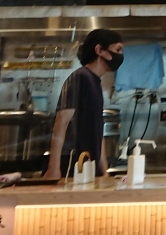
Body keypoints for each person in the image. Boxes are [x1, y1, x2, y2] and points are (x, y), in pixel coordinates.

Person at [44, 29, 124, 180]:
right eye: (118, 49)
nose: (120, 55)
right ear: (99, 50)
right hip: (72, 168)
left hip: (87, 168)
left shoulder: (95, 82)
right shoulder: (80, 78)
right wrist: (53, 169)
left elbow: (98, 133)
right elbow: (61, 122)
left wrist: (104, 172)